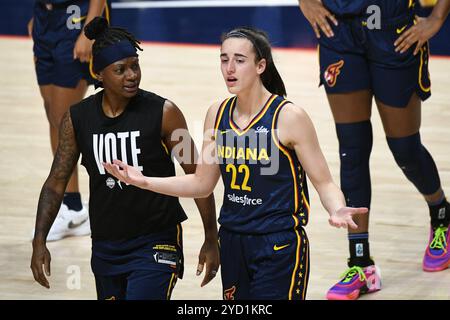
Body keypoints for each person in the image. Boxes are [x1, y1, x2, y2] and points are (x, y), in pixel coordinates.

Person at [103, 27, 368, 300]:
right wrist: (143, 181)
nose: (230, 68)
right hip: (232, 240)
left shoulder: (289, 117)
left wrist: (337, 208)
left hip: (277, 244)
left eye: (240, 60)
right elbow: (202, 183)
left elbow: (324, 182)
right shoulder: (216, 114)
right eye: (224, 59)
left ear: (260, 65)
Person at [30, 17, 220, 300]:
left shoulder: (165, 113)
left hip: (157, 240)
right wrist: (39, 240)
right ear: (99, 74)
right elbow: (56, 183)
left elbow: (199, 178)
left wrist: (210, 238)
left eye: (135, 65)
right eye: (121, 69)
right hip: (106, 245)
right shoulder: (77, 118)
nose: (132, 75)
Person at [298, 0, 450, 300]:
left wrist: (436, 18)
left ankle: (441, 214)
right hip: (338, 27)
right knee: (352, 149)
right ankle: (360, 263)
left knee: (405, 148)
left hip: (391, 27)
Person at [29, 0, 111, 241]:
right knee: (51, 114)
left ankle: (75, 209)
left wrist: (90, 30)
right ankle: (70, 203)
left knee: (63, 118)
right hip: (46, 19)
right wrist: (41, 14)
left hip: (75, 21)